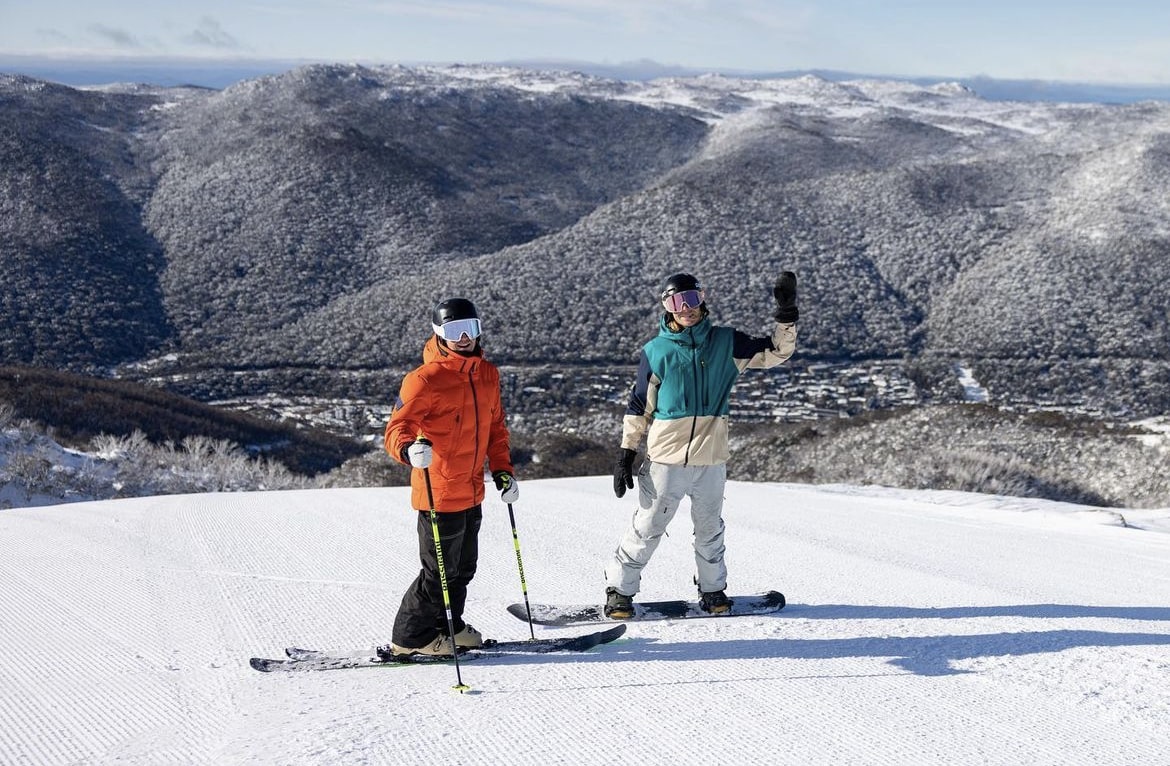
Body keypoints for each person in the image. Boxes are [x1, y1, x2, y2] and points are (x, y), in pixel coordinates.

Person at [604, 271, 799, 618]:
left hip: (711, 459)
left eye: (691, 300)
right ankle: (619, 591)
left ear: (702, 300)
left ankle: (712, 591)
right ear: (666, 308)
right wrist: (626, 454)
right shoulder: (656, 351)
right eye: (676, 302)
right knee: (648, 527)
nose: (686, 309)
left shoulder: (727, 343)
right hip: (666, 460)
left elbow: (777, 352)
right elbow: (639, 406)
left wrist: (786, 314)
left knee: (710, 529)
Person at [381, 297, 518, 656]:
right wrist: (409, 449)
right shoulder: (424, 380)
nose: (463, 339)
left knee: (462, 570)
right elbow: (397, 428)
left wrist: (503, 471)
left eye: (469, 330)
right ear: (439, 334)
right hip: (438, 491)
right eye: (454, 331)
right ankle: (410, 640)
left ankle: (447, 627)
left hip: (472, 490)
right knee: (436, 575)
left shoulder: (488, 375)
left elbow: (496, 430)